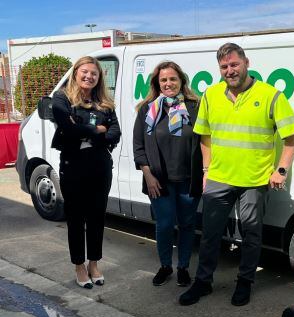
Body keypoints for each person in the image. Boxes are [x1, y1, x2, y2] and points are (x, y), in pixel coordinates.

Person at [179, 43, 294, 307]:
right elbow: (205, 136)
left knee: (251, 235)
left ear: (247, 63)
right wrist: (205, 170)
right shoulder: (211, 95)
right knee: (210, 235)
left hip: (254, 181)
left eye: (234, 64)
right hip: (219, 178)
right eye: (224, 67)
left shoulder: (270, 95)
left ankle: (245, 283)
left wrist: (281, 170)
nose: (230, 71)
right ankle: (203, 282)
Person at [51, 56, 121, 289]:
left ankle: (94, 263)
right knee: (75, 219)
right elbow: (68, 129)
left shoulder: (105, 103)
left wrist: (86, 131)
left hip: (100, 167)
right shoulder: (62, 98)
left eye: (94, 73)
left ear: (99, 78)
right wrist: (98, 129)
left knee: (96, 218)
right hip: (73, 167)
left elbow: (115, 133)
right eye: (85, 71)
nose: (89, 76)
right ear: (76, 72)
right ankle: (79, 266)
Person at [133, 61, 203, 287]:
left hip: (188, 179)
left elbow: (206, 141)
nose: (168, 83)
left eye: (173, 79)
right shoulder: (148, 109)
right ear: (157, 83)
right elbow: (138, 146)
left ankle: (183, 267)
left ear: (181, 80)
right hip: (158, 181)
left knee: (187, 224)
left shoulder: (195, 106)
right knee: (164, 225)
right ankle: (165, 266)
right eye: (164, 80)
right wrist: (148, 175)